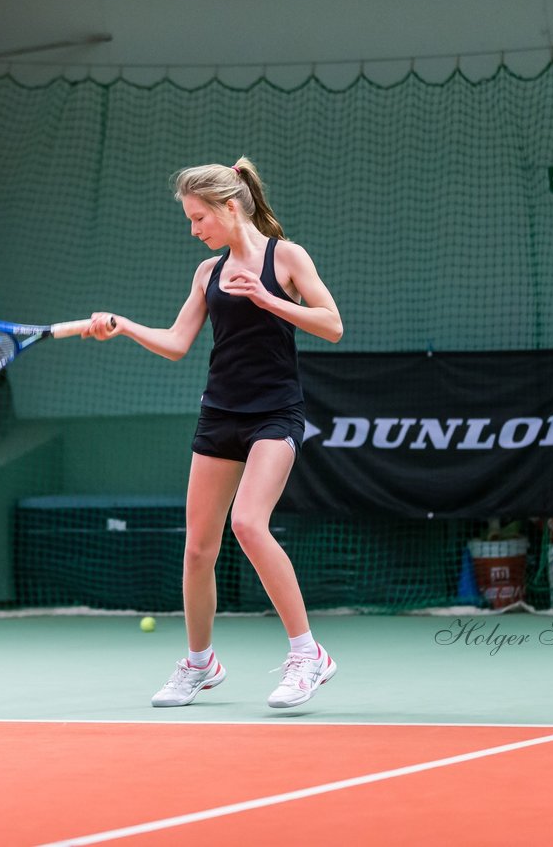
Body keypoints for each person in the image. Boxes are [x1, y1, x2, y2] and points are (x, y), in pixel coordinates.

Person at [83, 156, 343, 708]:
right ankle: (200, 665)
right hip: (219, 415)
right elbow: (178, 343)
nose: (194, 229)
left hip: (275, 413)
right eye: (190, 219)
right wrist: (125, 326)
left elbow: (333, 324)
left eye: (199, 218)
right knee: (199, 548)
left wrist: (270, 299)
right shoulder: (206, 273)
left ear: (229, 207)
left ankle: (307, 655)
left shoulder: (287, 256)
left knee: (249, 523)